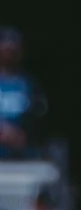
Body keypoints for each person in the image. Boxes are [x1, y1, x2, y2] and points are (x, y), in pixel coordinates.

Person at [0, 26, 47, 156]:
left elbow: (39, 115)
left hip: (21, 158)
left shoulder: (29, 84)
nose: (8, 53)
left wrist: (21, 134)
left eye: (12, 49)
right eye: (4, 47)